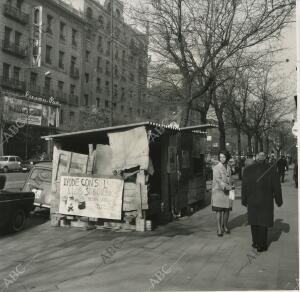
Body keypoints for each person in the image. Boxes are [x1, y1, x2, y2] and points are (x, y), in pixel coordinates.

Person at [241, 152, 282, 252]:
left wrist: (244, 199)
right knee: (263, 222)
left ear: (256, 158)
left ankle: (255, 242)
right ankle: (262, 245)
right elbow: (276, 186)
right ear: (265, 159)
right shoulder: (271, 169)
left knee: (254, 221)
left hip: (252, 200)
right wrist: (278, 200)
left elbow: (244, 186)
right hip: (266, 200)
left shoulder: (247, 170)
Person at [212, 150, 234, 237]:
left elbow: (230, 178)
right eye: (220, 157)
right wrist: (226, 187)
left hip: (230, 191)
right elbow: (218, 180)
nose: (222, 159)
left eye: (224, 157)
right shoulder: (216, 167)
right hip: (219, 191)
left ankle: (225, 225)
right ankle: (219, 228)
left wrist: (232, 186)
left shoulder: (228, 166)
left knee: (227, 210)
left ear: (227, 157)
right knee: (219, 210)